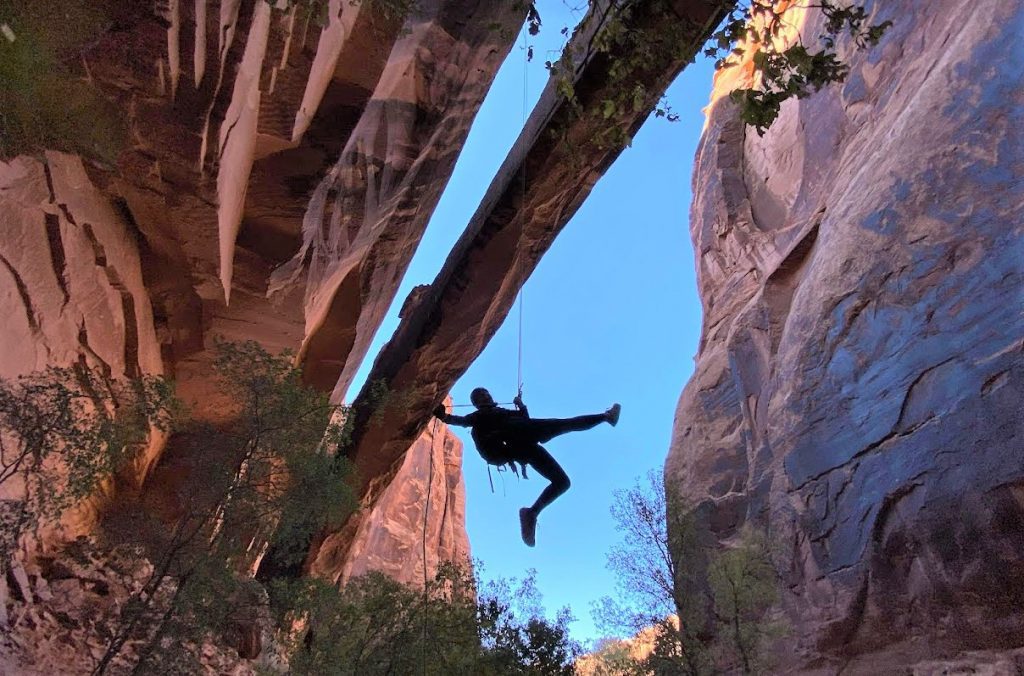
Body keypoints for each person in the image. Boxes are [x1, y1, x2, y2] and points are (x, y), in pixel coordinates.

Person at [434, 388, 620, 547]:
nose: (486, 395)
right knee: (563, 424)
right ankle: (606, 417)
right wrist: (444, 416)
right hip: (516, 442)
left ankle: (532, 513)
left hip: (525, 443)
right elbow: (461, 421)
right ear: (476, 403)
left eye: (486, 392)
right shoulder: (479, 417)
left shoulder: (503, 412)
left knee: (563, 482)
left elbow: (524, 418)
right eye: (480, 395)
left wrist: (521, 406)